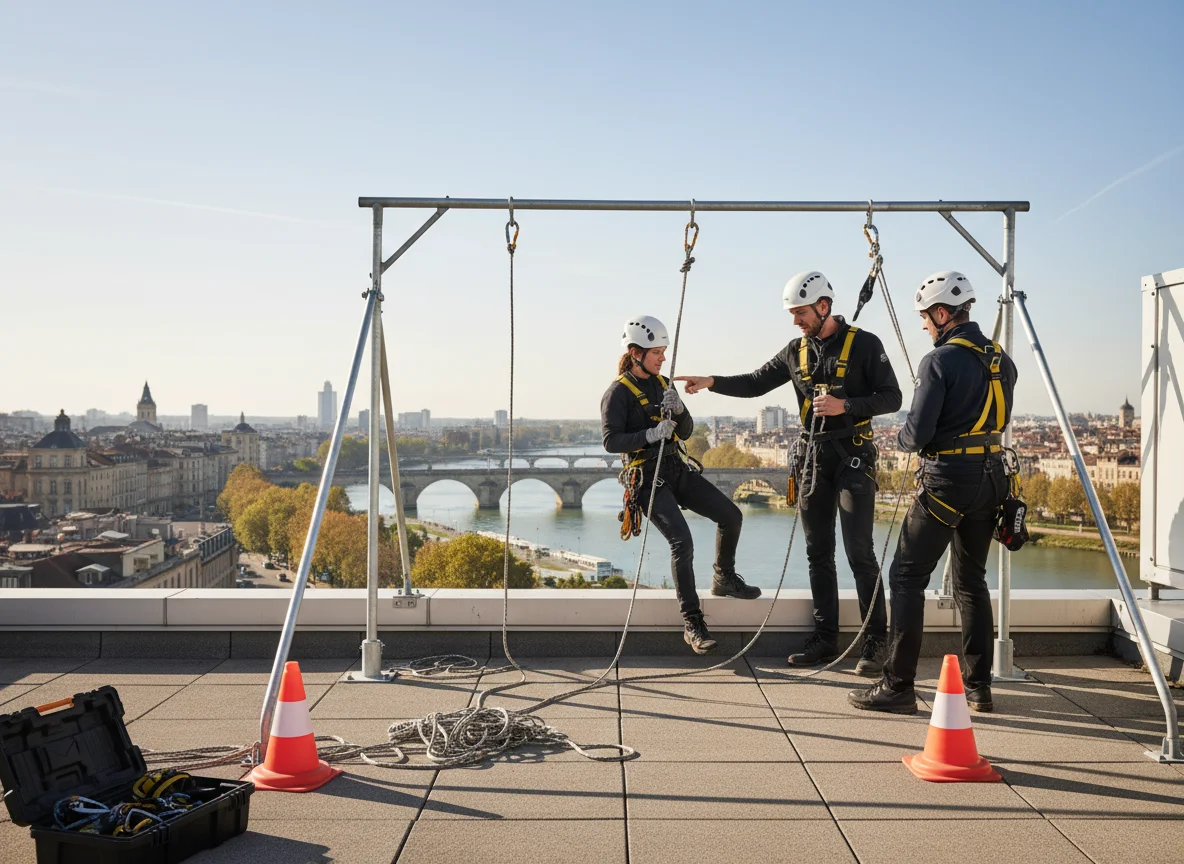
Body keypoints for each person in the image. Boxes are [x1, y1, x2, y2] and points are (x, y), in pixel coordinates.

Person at [676, 272, 901, 675]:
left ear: (824, 306)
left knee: (860, 553)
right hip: (813, 459)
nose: (796, 321)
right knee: (818, 553)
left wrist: (845, 405)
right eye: (793, 314)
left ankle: (875, 641)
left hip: (852, 456)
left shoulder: (866, 345)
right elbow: (756, 382)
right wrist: (711, 382)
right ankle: (825, 637)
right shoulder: (795, 351)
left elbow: (892, 397)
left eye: (800, 314)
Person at [848, 270, 1017, 715]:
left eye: (925, 317)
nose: (923, 326)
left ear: (943, 313)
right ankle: (979, 686)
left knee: (905, 577)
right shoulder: (1001, 359)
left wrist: (900, 439)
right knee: (971, 580)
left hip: (949, 480)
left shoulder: (939, 361)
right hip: (992, 477)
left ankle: (898, 686)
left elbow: (919, 433)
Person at [601, 315, 762, 655]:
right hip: (647, 478)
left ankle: (724, 577)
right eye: (656, 352)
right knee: (682, 541)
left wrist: (681, 413)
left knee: (731, 515)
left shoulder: (663, 385)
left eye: (663, 351)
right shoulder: (617, 394)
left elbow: (685, 432)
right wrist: (648, 435)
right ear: (635, 353)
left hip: (675, 467)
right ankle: (692, 622)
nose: (662, 358)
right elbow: (611, 441)